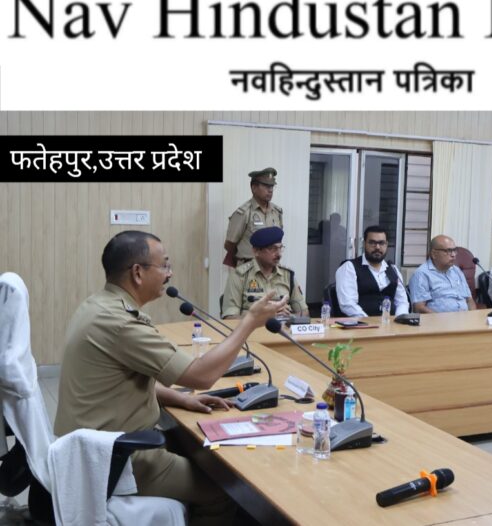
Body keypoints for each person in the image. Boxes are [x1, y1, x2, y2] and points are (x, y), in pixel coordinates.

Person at [54, 230, 286, 525]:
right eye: (164, 265)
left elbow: (123, 380)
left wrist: (180, 399)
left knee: (199, 451)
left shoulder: (98, 305)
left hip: (95, 448)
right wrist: (250, 321)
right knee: (226, 490)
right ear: (138, 273)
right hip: (118, 457)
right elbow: (201, 376)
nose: (170, 273)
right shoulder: (121, 324)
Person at [221, 226, 308, 318]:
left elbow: (304, 312)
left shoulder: (287, 275)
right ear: (256, 251)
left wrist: (290, 317)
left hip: (283, 326)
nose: (279, 254)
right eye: (273, 249)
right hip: (254, 327)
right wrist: (264, 316)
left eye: (280, 248)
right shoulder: (239, 275)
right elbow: (230, 317)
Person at [335, 225, 409, 317]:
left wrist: (399, 320)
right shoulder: (349, 268)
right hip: (360, 323)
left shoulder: (393, 269)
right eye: (372, 243)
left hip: (391, 323)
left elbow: (402, 302)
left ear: (386, 244)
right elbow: (348, 304)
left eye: (381, 243)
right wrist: (369, 322)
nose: (377, 247)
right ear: (364, 244)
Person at [223, 167, 282, 267]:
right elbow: (230, 245)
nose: (270, 190)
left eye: (272, 186)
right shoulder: (244, 213)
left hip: (271, 268)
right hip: (250, 267)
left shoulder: (276, 212)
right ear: (254, 188)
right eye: (266, 186)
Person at [408, 235, 476, 313]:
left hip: (465, 318)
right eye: (448, 251)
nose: (453, 255)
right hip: (438, 319)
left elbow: (469, 300)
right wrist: (440, 319)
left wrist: (473, 316)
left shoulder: (456, 271)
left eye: (454, 250)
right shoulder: (421, 274)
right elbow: (419, 308)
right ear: (434, 254)